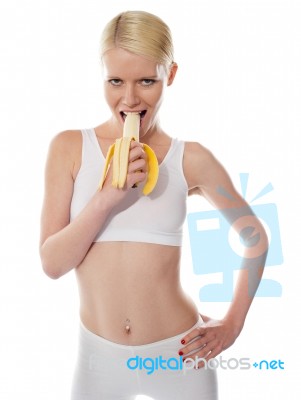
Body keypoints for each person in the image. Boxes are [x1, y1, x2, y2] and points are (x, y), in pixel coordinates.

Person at [39, 10, 268, 400]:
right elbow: (52, 263)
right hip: (98, 358)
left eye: (147, 81)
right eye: (115, 81)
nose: (129, 99)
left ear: (171, 75)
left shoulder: (190, 159)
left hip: (179, 355)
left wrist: (232, 324)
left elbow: (256, 238)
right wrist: (108, 197)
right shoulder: (69, 149)